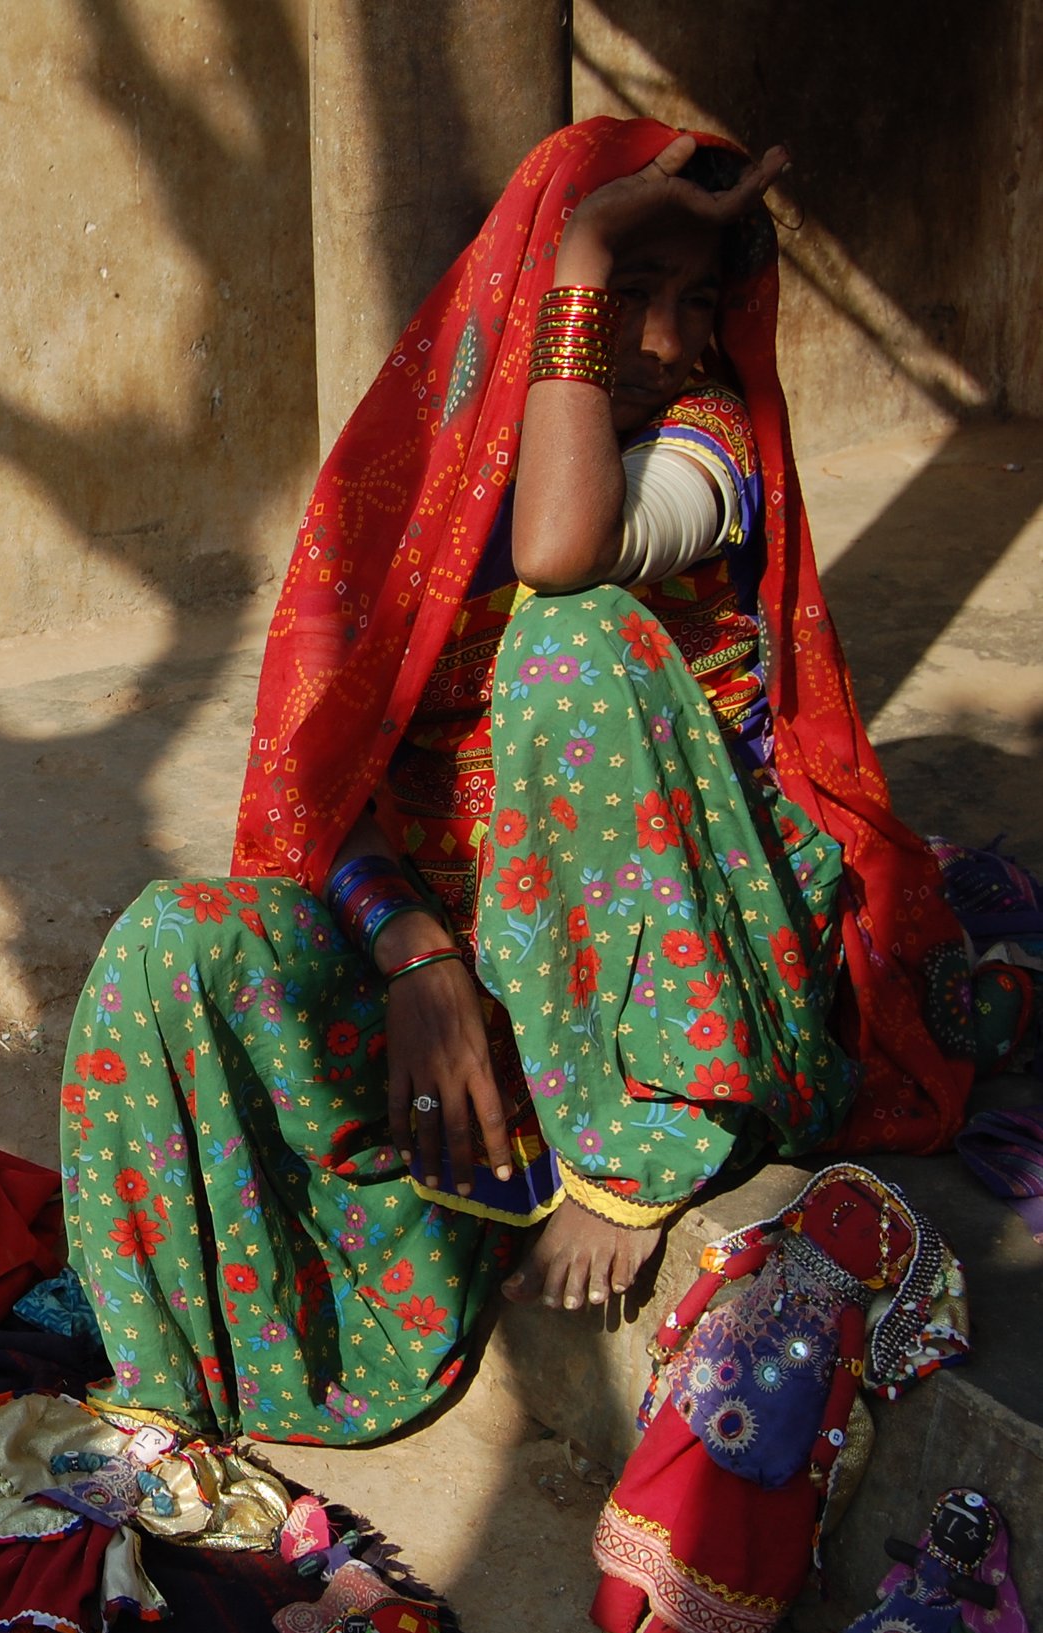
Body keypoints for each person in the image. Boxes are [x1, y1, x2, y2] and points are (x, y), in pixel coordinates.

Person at [57, 117, 1030, 1448]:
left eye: (697, 304)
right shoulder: (428, 489)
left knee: (564, 636)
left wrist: (582, 255)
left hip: (702, 989)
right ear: (519, 307)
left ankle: (640, 1151)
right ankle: (190, 1396)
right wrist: (414, 957)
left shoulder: (708, 443)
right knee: (173, 942)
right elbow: (332, 779)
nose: (676, 341)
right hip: (497, 986)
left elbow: (570, 551)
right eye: (634, 299)